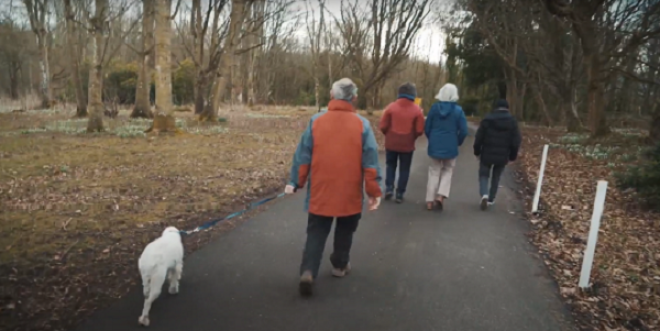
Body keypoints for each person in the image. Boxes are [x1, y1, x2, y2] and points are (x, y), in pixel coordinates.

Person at [284, 78, 382, 296]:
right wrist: (374, 191)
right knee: (346, 229)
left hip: (321, 188)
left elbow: (303, 155)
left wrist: (296, 182)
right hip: (350, 190)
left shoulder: (316, 121)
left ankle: (308, 271)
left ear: (332, 95)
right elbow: (370, 160)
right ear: (354, 98)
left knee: (316, 231)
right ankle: (339, 265)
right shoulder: (362, 125)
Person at [424, 83, 468, 211]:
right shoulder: (458, 111)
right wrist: (457, 142)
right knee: (448, 170)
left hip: (435, 144)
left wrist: (431, 139)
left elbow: (427, 127)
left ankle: (429, 201)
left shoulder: (434, 108)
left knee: (434, 171)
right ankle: (440, 196)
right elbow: (464, 131)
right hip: (451, 145)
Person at [379, 82, 425, 203]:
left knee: (390, 165)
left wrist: (389, 135)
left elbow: (383, 126)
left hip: (391, 142)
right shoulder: (417, 110)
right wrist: (412, 136)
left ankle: (389, 188)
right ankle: (400, 193)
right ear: (413, 94)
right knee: (404, 168)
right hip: (407, 144)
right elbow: (420, 130)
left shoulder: (391, 107)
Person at [473, 99, 521, 210]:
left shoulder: (487, 119)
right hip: (503, 154)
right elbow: (516, 141)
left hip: (487, 153)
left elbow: (479, 137)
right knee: (496, 176)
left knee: (484, 174)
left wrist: (477, 151)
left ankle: (484, 194)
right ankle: (491, 199)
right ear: (507, 108)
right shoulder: (512, 122)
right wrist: (512, 156)